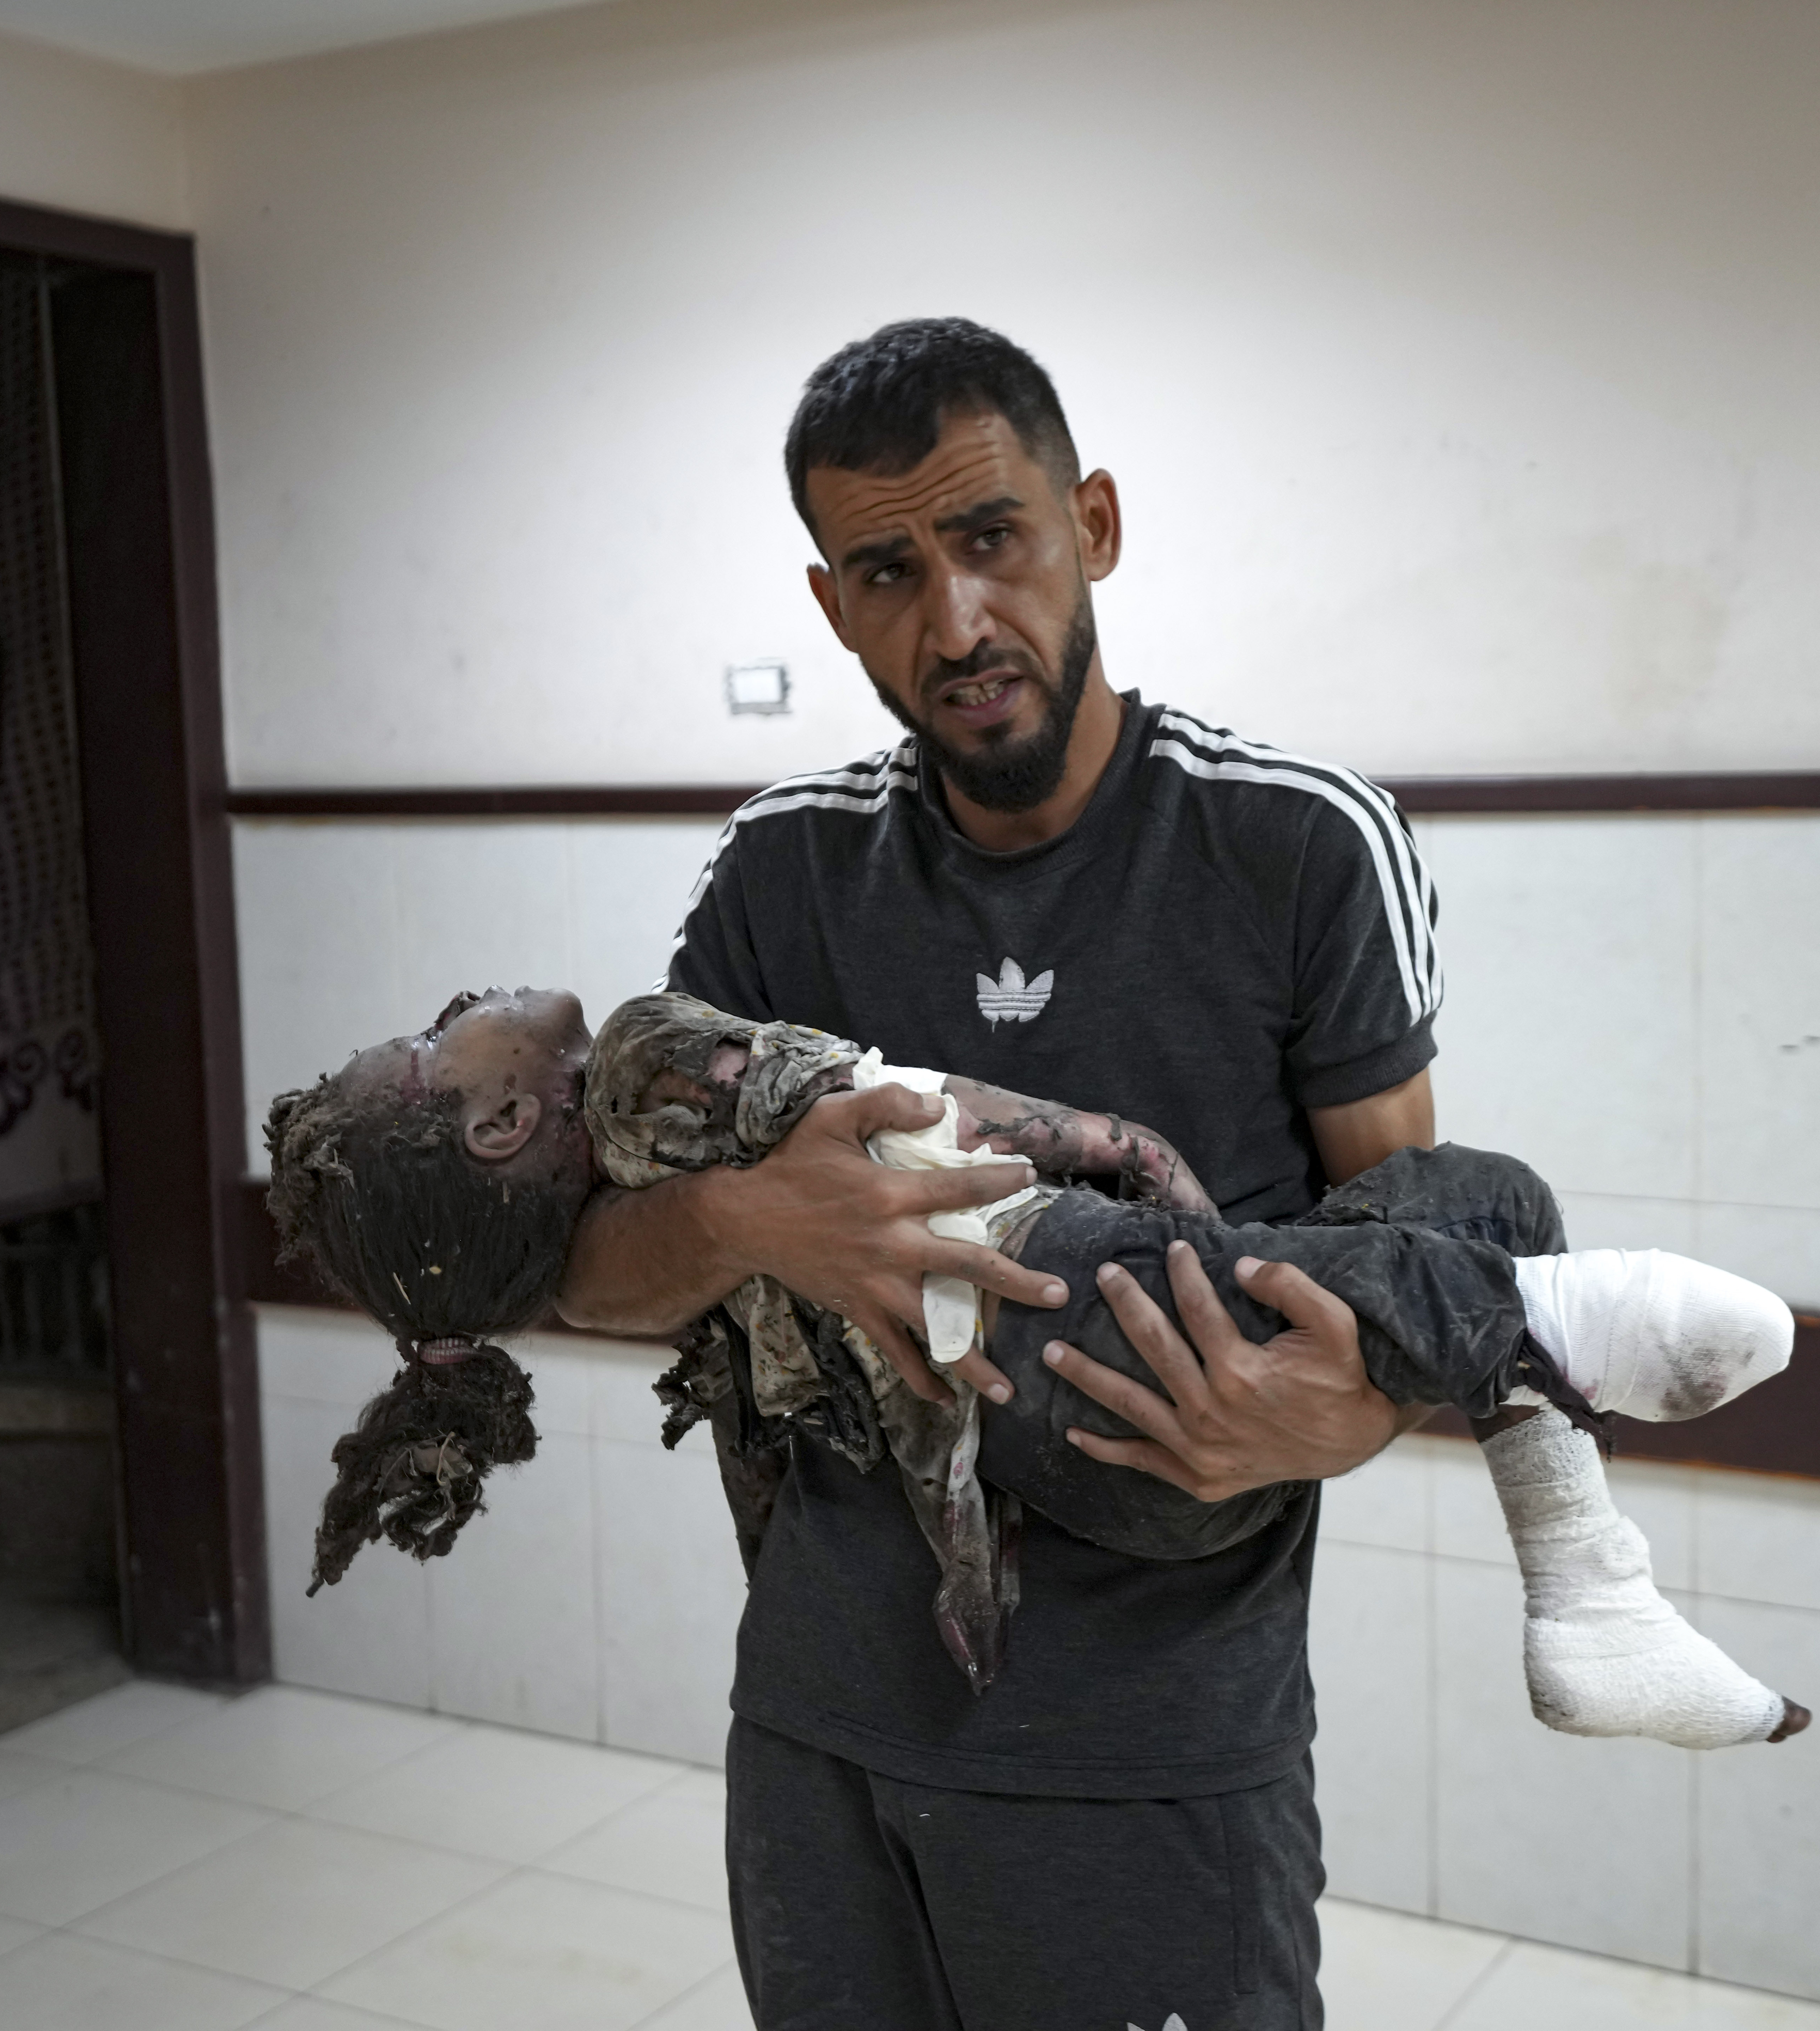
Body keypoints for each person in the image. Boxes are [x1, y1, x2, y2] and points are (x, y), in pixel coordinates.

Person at [543, 315, 1581, 2028]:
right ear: (830, 604)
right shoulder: (783, 866)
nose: (954, 622)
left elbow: (1426, 1268)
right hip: (823, 1721)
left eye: (991, 539)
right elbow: (590, 1272)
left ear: (1091, 525)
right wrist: (743, 1215)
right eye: (886, 570)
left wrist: (1354, 1416)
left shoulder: (1298, 841)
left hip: (1160, 1749)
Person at [270, 983, 1813, 1767]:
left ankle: (1588, 1587)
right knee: (1506, 1233)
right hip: (1083, 1346)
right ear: (490, 1132)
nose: (447, 1012)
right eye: (423, 1044)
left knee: (1474, 1197)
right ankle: (1572, 1412)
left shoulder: (609, 1187)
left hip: (1123, 1469)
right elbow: (1094, 1143)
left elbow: (609, 1309)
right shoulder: (644, 1060)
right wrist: (1207, 1251)